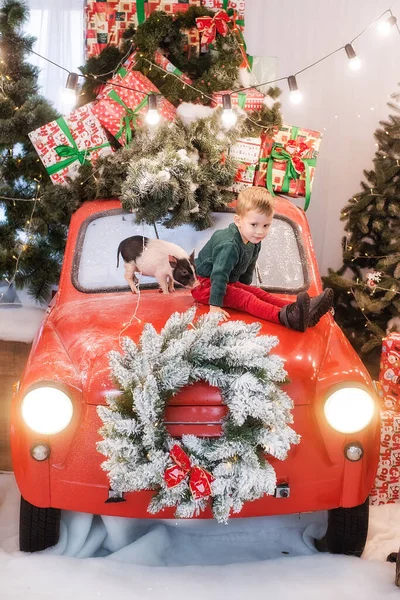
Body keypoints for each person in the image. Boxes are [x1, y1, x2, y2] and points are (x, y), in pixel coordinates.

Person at [191, 187, 333, 331]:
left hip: (225, 282)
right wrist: (215, 306)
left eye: (266, 225)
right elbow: (219, 275)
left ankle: (298, 308)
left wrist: (246, 288)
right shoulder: (229, 245)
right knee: (246, 299)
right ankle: (286, 317)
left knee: (258, 293)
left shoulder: (254, 241)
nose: (260, 231)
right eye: (254, 225)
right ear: (238, 221)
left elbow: (247, 269)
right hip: (205, 286)